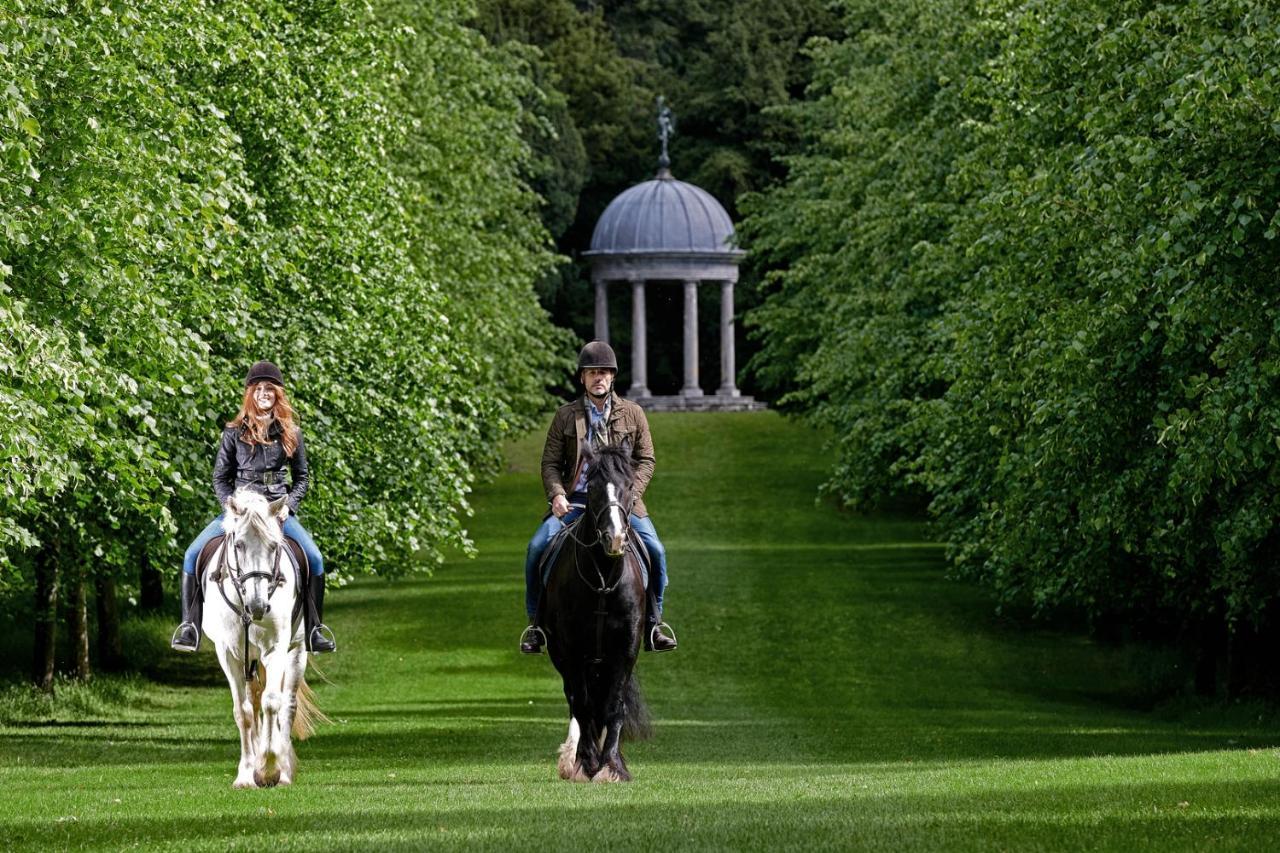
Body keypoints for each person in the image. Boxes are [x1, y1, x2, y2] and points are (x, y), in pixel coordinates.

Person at [520, 341, 677, 654]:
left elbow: (646, 459)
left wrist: (631, 493)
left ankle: (654, 623)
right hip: (575, 503)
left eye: (604, 372)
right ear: (582, 378)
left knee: (656, 552)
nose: (598, 378)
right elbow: (550, 463)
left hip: (620, 503)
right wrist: (557, 494)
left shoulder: (634, 414)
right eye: (592, 372)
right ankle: (536, 625)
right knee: (536, 547)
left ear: (613, 377)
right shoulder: (565, 416)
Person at [171, 361, 336, 654]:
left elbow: (302, 478)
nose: (263, 394)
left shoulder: (291, 432)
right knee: (192, 554)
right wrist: (229, 507)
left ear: (276, 395)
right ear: (251, 394)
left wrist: (290, 505)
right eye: (258, 389)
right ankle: (189, 627)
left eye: (269, 390)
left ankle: (314, 629)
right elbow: (220, 478)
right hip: (241, 511)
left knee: (315, 558)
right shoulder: (233, 432)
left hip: (275, 511)